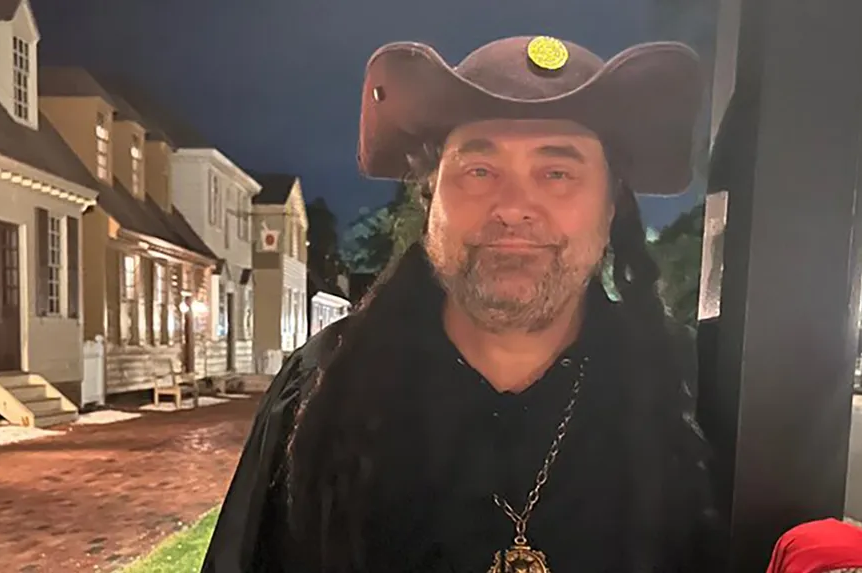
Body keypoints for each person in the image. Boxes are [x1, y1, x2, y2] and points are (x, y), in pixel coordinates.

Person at [202, 35, 722, 573]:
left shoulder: (686, 392)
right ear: (431, 200)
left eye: (557, 172)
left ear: (611, 206)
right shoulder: (322, 390)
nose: (514, 207)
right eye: (479, 171)